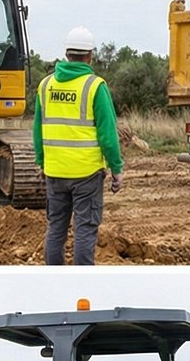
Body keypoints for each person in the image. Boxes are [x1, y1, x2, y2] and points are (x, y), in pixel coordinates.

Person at [33, 26, 124, 265]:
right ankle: (82, 277)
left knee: (56, 230)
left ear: (66, 53)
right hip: (86, 173)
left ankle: (54, 275)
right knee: (85, 230)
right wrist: (116, 169)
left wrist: (41, 162)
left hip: (54, 172)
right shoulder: (95, 86)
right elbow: (107, 135)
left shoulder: (45, 85)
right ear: (90, 55)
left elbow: (37, 130)